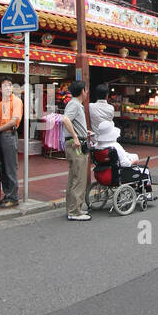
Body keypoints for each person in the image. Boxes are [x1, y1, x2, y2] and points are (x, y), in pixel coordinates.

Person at [60, 80, 96, 222]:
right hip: (77, 146)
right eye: (86, 90)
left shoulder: (75, 104)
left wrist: (82, 131)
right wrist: (76, 136)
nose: (87, 93)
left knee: (73, 177)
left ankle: (73, 208)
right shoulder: (75, 104)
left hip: (77, 142)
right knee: (79, 178)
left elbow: (70, 121)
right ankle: (75, 211)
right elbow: (65, 119)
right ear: (82, 91)